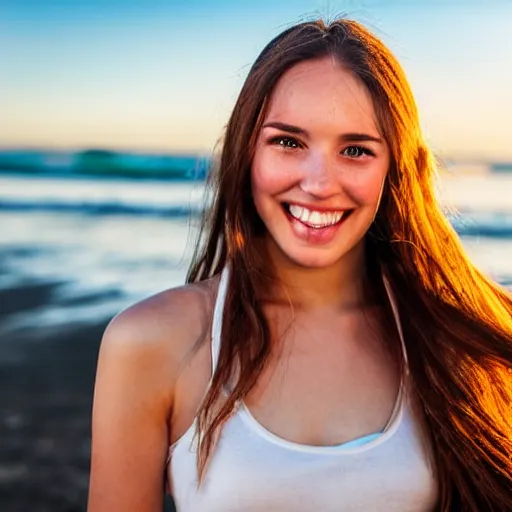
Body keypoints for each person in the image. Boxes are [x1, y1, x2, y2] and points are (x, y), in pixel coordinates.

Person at [87, 18, 512, 512]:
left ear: (393, 169)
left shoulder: (467, 337)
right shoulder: (150, 341)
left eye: (355, 150)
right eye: (288, 142)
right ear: (247, 151)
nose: (318, 182)